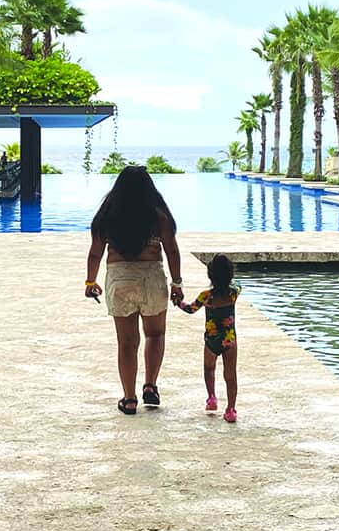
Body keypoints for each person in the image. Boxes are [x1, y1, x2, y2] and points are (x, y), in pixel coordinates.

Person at [85, 166, 183, 415]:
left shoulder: (106, 217)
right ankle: (150, 385)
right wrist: (177, 282)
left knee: (127, 343)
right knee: (155, 334)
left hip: (120, 278)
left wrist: (90, 281)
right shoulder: (158, 216)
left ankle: (129, 399)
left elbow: (96, 252)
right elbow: (171, 249)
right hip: (151, 277)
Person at [174, 254, 239, 423]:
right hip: (229, 339)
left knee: (209, 369)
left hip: (211, 339)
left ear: (210, 275)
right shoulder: (234, 293)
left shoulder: (206, 296)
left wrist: (178, 302)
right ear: (230, 274)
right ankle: (231, 409)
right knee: (230, 375)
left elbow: (190, 309)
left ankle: (212, 398)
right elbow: (238, 284)